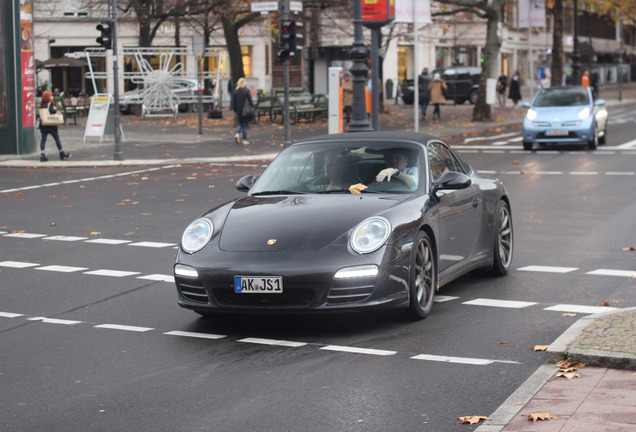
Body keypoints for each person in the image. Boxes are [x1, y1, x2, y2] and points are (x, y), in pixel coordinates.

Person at [38, 90, 70, 162]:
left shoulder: (42, 104)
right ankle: (61, 152)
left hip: (44, 125)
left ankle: (42, 154)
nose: (52, 97)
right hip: (51, 125)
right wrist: (55, 110)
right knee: (56, 138)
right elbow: (51, 111)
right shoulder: (50, 104)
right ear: (48, 97)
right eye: (50, 95)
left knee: (43, 140)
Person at [231, 77, 254, 146]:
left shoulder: (236, 91)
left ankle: (237, 133)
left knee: (241, 123)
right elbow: (250, 101)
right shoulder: (246, 91)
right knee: (245, 125)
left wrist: (235, 111)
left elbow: (234, 103)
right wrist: (252, 107)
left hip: (239, 110)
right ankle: (244, 139)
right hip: (246, 110)